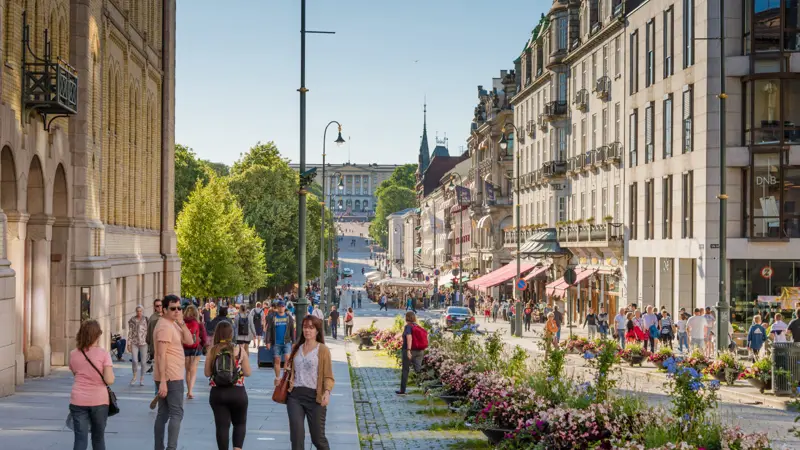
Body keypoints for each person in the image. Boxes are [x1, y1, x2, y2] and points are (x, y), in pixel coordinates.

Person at [286, 316, 334, 450]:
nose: (307, 330)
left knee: (318, 439)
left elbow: (329, 376)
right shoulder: (296, 348)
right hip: (295, 396)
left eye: (311, 328)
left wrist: (327, 392)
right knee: (296, 437)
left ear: (317, 331)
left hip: (315, 397)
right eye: (305, 327)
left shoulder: (323, 350)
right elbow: (291, 370)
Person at [153, 294, 194, 450]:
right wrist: (163, 380)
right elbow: (160, 354)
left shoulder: (173, 323)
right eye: (173, 308)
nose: (177, 311)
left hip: (171, 375)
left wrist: (182, 323)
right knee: (176, 413)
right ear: (164, 310)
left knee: (163, 413)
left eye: (179, 308)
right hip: (170, 376)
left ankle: (160, 447)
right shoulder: (164, 326)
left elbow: (190, 341)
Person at [205, 320, 252, 450]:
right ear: (231, 334)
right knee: (239, 423)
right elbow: (248, 372)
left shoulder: (213, 351)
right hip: (237, 392)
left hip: (218, 393)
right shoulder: (239, 350)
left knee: (222, 426)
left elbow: (207, 372)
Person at [69, 319, 115, 450]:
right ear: (97, 335)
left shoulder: (73, 354)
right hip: (99, 401)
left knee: (80, 438)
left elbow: (75, 373)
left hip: (78, 400)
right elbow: (109, 380)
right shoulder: (103, 354)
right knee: (98, 437)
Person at [396, 311, 425, 395]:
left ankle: (402, 390)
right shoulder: (417, 326)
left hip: (409, 351)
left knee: (405, 370)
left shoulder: (408, 327)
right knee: (418, 370)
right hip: (420, 351)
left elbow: (409, 338)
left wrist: (408, 350)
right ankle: (426, 388)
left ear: (406, 318)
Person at [266, 301, 295, 385]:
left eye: (282, 306)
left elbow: (292, 330)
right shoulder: (273, 317)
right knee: (277, 360)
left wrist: (294, 342)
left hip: (286, 341)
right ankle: (278, 377)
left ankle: (285, 377)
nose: (281, 308)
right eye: (280, 306)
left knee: (287, 359)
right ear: (277, 307)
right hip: (276, 342)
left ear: (284, 307)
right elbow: (269, 330)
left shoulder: (289, 317)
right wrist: (267, 341)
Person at [183, 305, 207, 400]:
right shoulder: (199, 323)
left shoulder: (183, 323)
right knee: (193, 370)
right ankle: (190, 391)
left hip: (185, 347)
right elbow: (204, 337)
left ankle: (188, 390)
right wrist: (202, 344)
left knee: (187, 370)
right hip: (196, 348)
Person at [128, 305, 149, 386]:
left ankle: (142, 378)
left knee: (143, 362)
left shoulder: (146, 319)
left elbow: (148, 331)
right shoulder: (132, 320)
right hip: (134, 342)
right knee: (134, 360)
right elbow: (130, 332)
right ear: (136, 311)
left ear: (142, 311)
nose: (139, 312)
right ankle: (134, 376)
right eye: (138, 311)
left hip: (144, 343)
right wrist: (128, 343)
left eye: (140, 311)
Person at [146, 298, 163, 373]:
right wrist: (149, 345)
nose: (159, 307)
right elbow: (149, 333)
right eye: (157, 306)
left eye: (160, 305)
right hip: (155, 344)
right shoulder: (152, 318)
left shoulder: (167, 316)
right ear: (154, 307)